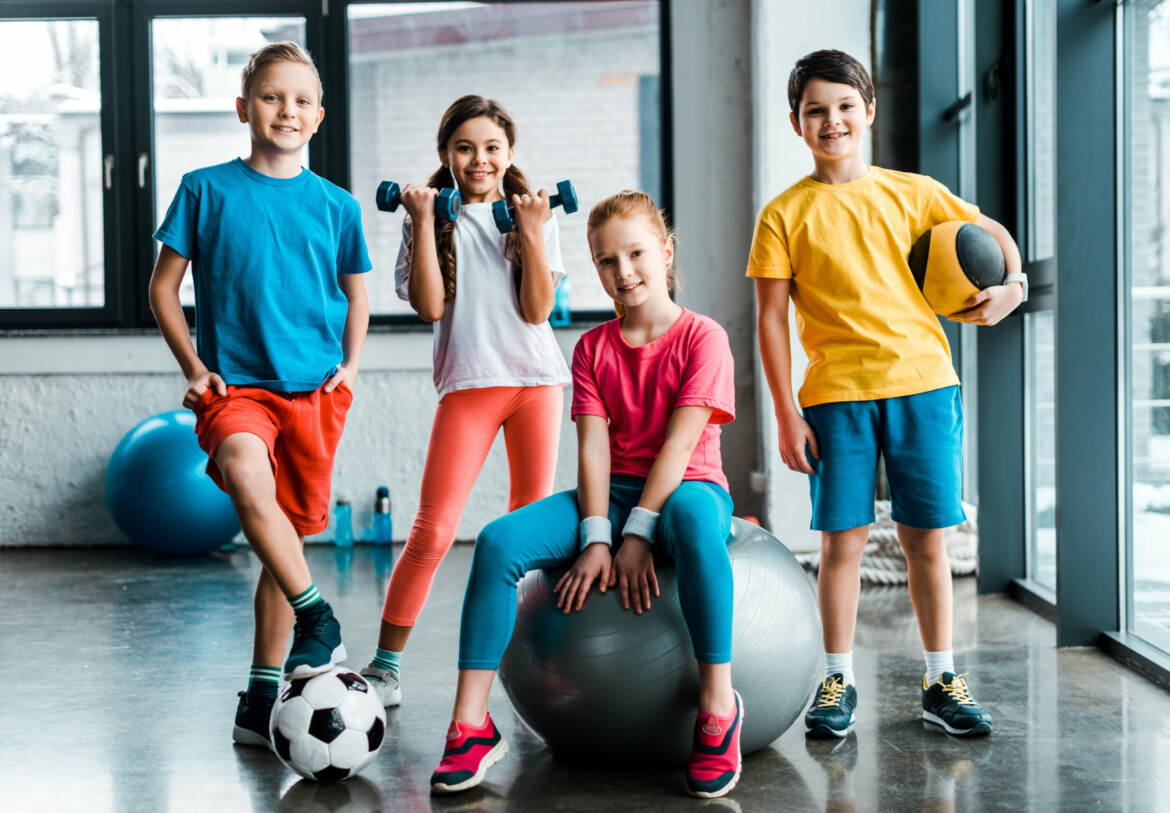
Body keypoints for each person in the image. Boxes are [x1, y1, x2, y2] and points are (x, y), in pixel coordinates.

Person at [429, 190, 743, 799]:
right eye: (606, 261)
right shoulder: (593, 349)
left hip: (689, 487)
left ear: (666, 252)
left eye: (636, 254)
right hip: (613, 493)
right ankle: (471, 726)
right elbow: (594, 450)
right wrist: (597, 539)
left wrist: (636, 536)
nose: (623, 273)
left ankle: (717, 707)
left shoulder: (705, 338)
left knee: (696, 526)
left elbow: (679, 448)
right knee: (497, 541)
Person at [750, 50, 1026, 739]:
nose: (832, 120)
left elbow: (994, 237)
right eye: (816, 109)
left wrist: (1012, 288)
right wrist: (786, 411)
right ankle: (836, 678)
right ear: (796, 123)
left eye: (845, 106)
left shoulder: (915, 192)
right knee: (840, 543)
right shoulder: (783, 214)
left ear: (869, 111)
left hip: (924, 387)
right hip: (835, 398)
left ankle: (940, 678)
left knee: (927, 541)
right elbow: (769, 321)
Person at [148, 41, 371, 751]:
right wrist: (193, 364)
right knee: (247, 476)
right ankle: (320, 618)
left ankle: (261, 692)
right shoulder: (205, 189)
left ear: (320, 117)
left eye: (302, 100)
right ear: (244, 108)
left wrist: (352, 365)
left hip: (312, 393)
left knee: (284, 549)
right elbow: (162, 287)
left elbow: (356, 291)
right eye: (272, 97)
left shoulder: (336, 205)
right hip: (234, 388)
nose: (287, 111)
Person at [361, 96, 570, 707]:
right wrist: (423, 220)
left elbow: (536, 312)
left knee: (528, 532)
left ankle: (531, 662)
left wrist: (531, 231)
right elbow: (429, 306)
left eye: (492, 148)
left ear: (510, 154)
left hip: (535, 382)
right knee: (433, 530)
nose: (479, 160)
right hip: (470, 385)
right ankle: (385, 666)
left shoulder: (534, 215)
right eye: (465, 148)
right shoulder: (427, 216)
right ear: (445, 155)